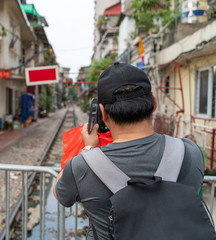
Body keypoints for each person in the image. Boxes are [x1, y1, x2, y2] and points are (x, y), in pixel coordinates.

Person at [53, 62, 204, 240]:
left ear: (103, 112)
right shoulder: (190, 152)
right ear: (154, 102)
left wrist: (88, 148)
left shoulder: (82, 166)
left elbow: (60, 193)